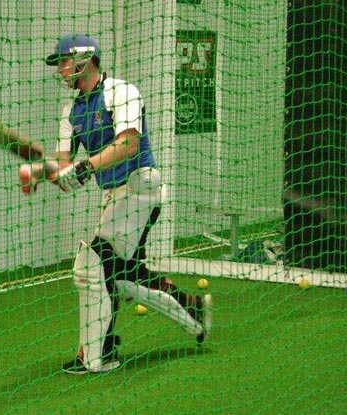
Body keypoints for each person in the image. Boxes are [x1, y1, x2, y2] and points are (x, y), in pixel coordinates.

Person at [19, 34, 212, 375]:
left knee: (90, 264)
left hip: (141, 188)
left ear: (84, 60)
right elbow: (67, 167)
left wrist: (86, 166)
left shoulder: (122, 92)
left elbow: (128, 146)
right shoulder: (70, 111)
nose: (62, 70)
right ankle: (191, 309)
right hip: (115, 198)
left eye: (65, 62)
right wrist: (42, 171)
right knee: (121, 276)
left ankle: (98, 355)